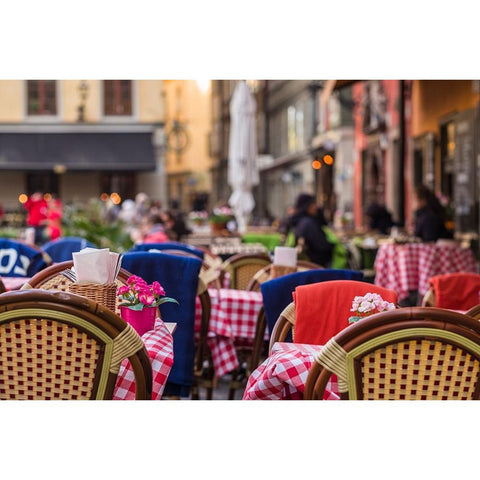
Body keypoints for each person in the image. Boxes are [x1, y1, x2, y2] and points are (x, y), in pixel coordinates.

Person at [288, 193, 334, 267]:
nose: (316, 207)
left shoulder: (299, 221)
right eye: (313, 204)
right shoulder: (309, 224)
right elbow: (322, 246)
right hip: (316, 265)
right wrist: (333, 246)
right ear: (306, 206)